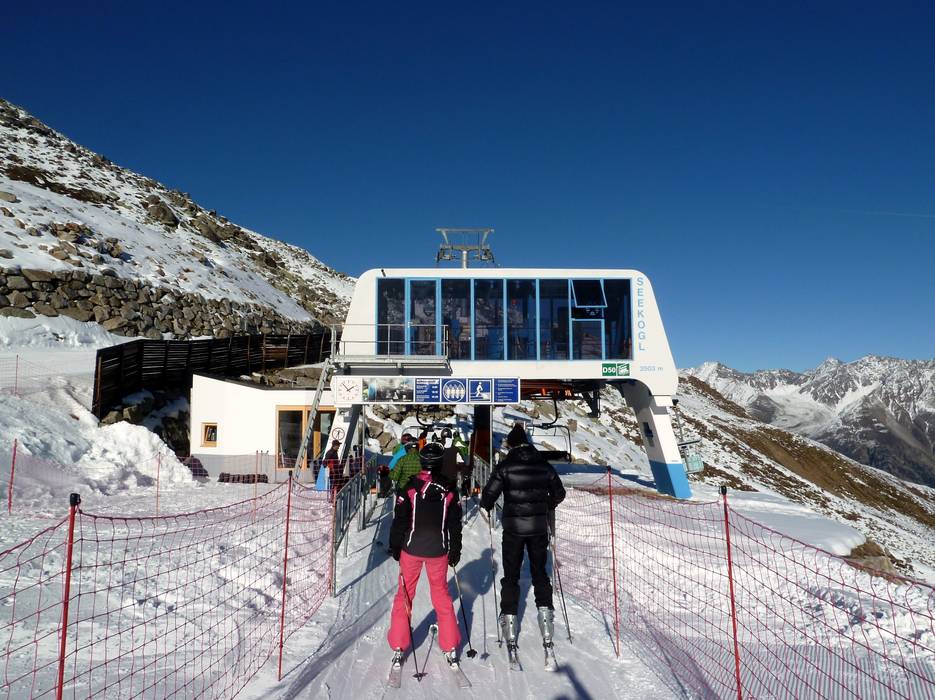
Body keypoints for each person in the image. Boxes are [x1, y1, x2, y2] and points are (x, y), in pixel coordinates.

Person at [481, 424, 565, 662]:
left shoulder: (505, 466)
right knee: (540, 573)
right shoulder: (543, 464)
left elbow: (488, 497)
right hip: (538, 529)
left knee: (511, 575)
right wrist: (546, 505)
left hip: (514, 530)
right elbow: (559, 493)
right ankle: (546, 620)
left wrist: (488, 505)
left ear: (511, 444)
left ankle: (509, 620)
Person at [387, 443, 463, 668]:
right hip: (438, 550)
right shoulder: (449, 489)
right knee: (441, 594)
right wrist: (455, 548)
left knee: (405, 594)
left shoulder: (410, 487)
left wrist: (395, 545)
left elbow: (400, 519)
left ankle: (399, 643)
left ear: (422, 461)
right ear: (440, 463)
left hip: (411, 548)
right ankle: (449, 644)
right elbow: (455, 523)